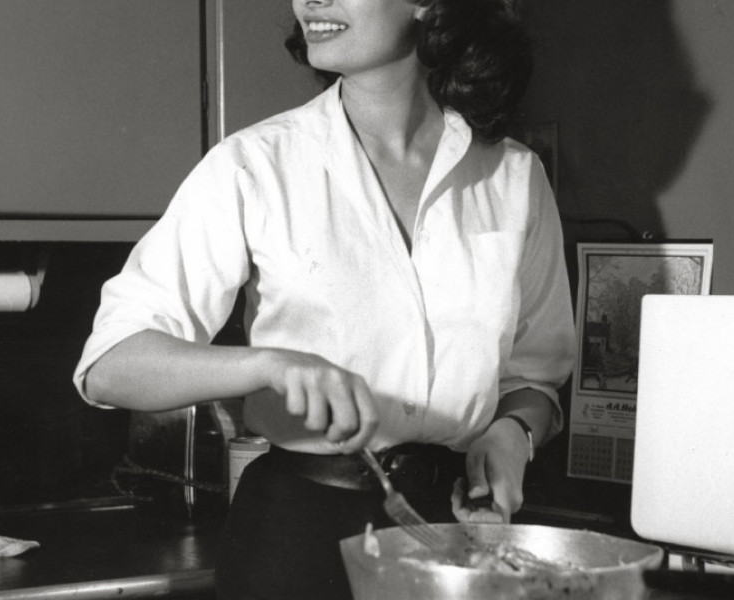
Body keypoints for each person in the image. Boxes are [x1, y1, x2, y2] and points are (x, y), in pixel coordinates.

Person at [73, 0, 575, 598]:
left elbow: (536, 375)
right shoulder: (254, 165)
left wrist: (512, 434)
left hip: (457, 529)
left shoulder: (514, 177)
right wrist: (271, 365)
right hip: (298, 536)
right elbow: (110, 364)